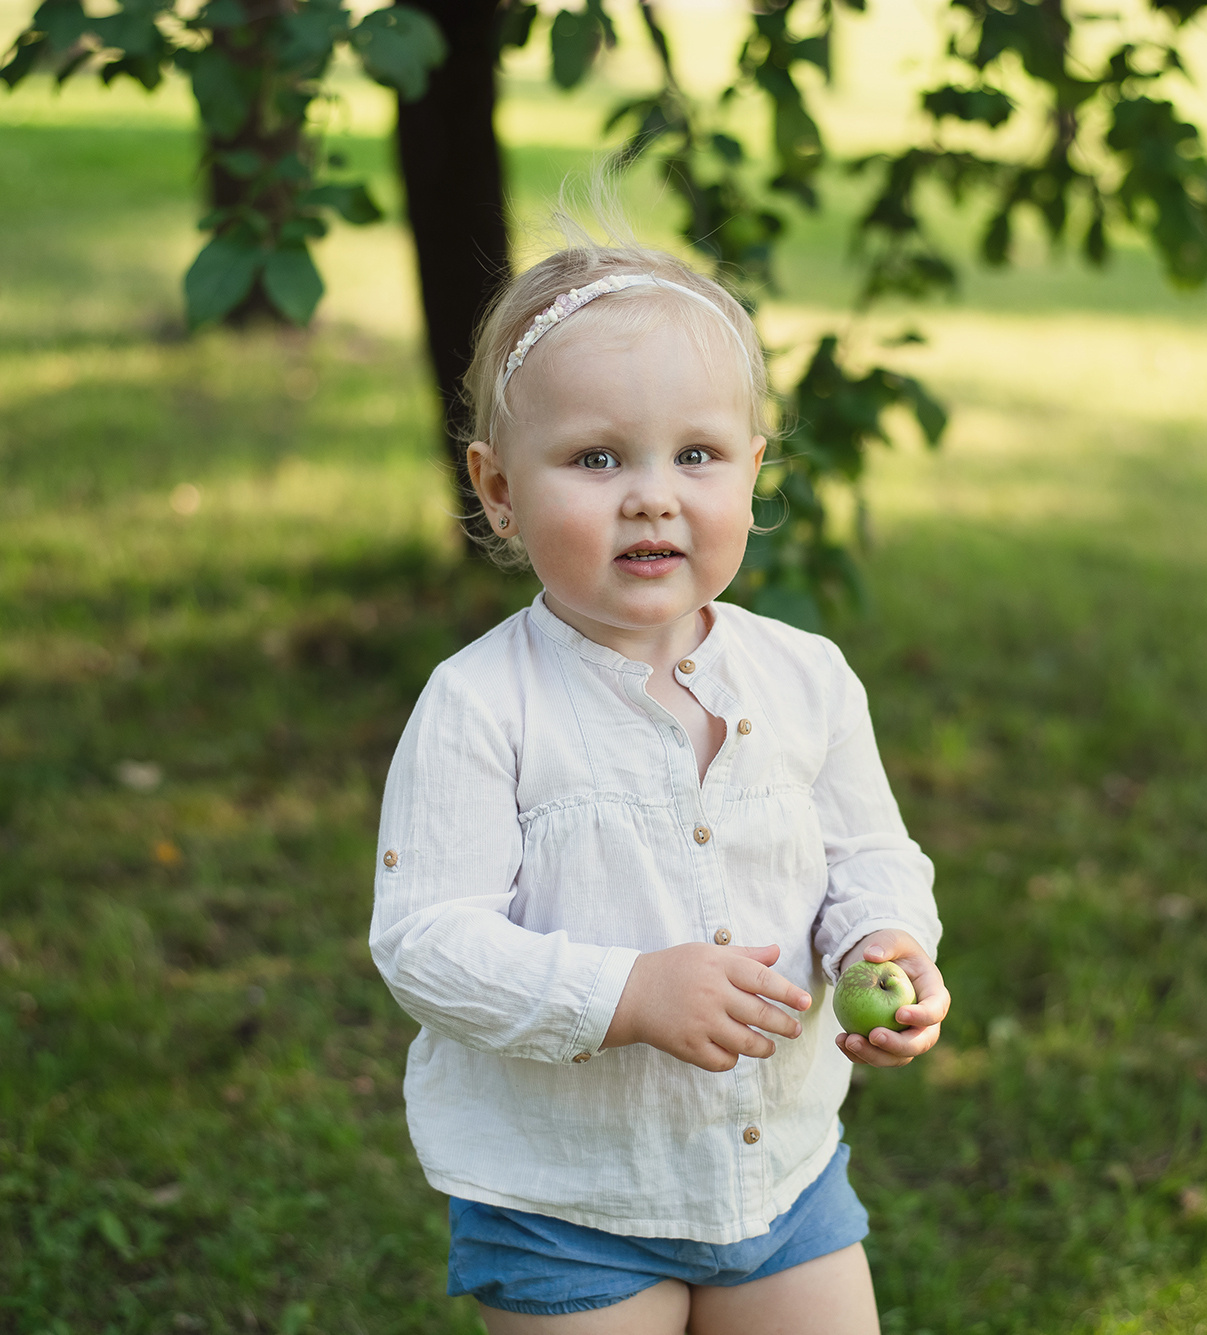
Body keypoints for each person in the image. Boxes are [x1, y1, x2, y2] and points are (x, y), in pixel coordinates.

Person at [368, 216, 948, 1335]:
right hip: (565, 1199)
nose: (650, 495)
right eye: (596, 458)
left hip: (781, 1178)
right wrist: (624, 995)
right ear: (497, 491)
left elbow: (868, 855)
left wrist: (885, 942)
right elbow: (425, 942)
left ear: (751, 472)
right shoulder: (482, 705)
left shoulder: (806, 678)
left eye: (695, 455)